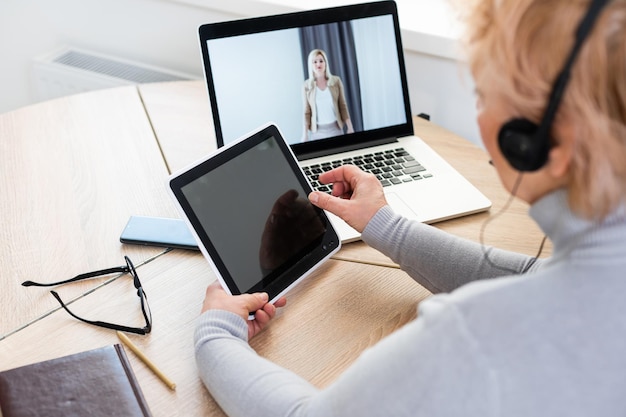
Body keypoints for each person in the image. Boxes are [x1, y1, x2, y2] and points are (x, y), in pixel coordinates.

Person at [195, 0, 626, 415]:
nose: (479, 113)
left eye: (483, 92)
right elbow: (541, 277)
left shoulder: (474, 339)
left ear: (536, 141)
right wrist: (382, 224)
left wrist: (215, 332)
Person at [301, 49, 355, 142]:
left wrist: (350, 127)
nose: (318, 64)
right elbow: (307, 112)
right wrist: (305, 134)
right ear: (311, 65)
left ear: (325, 63)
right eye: (315, 62)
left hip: (336, 129)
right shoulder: (306, 86)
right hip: (317, 132)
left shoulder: (336, 81)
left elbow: (342, 105)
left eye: (321, 61)